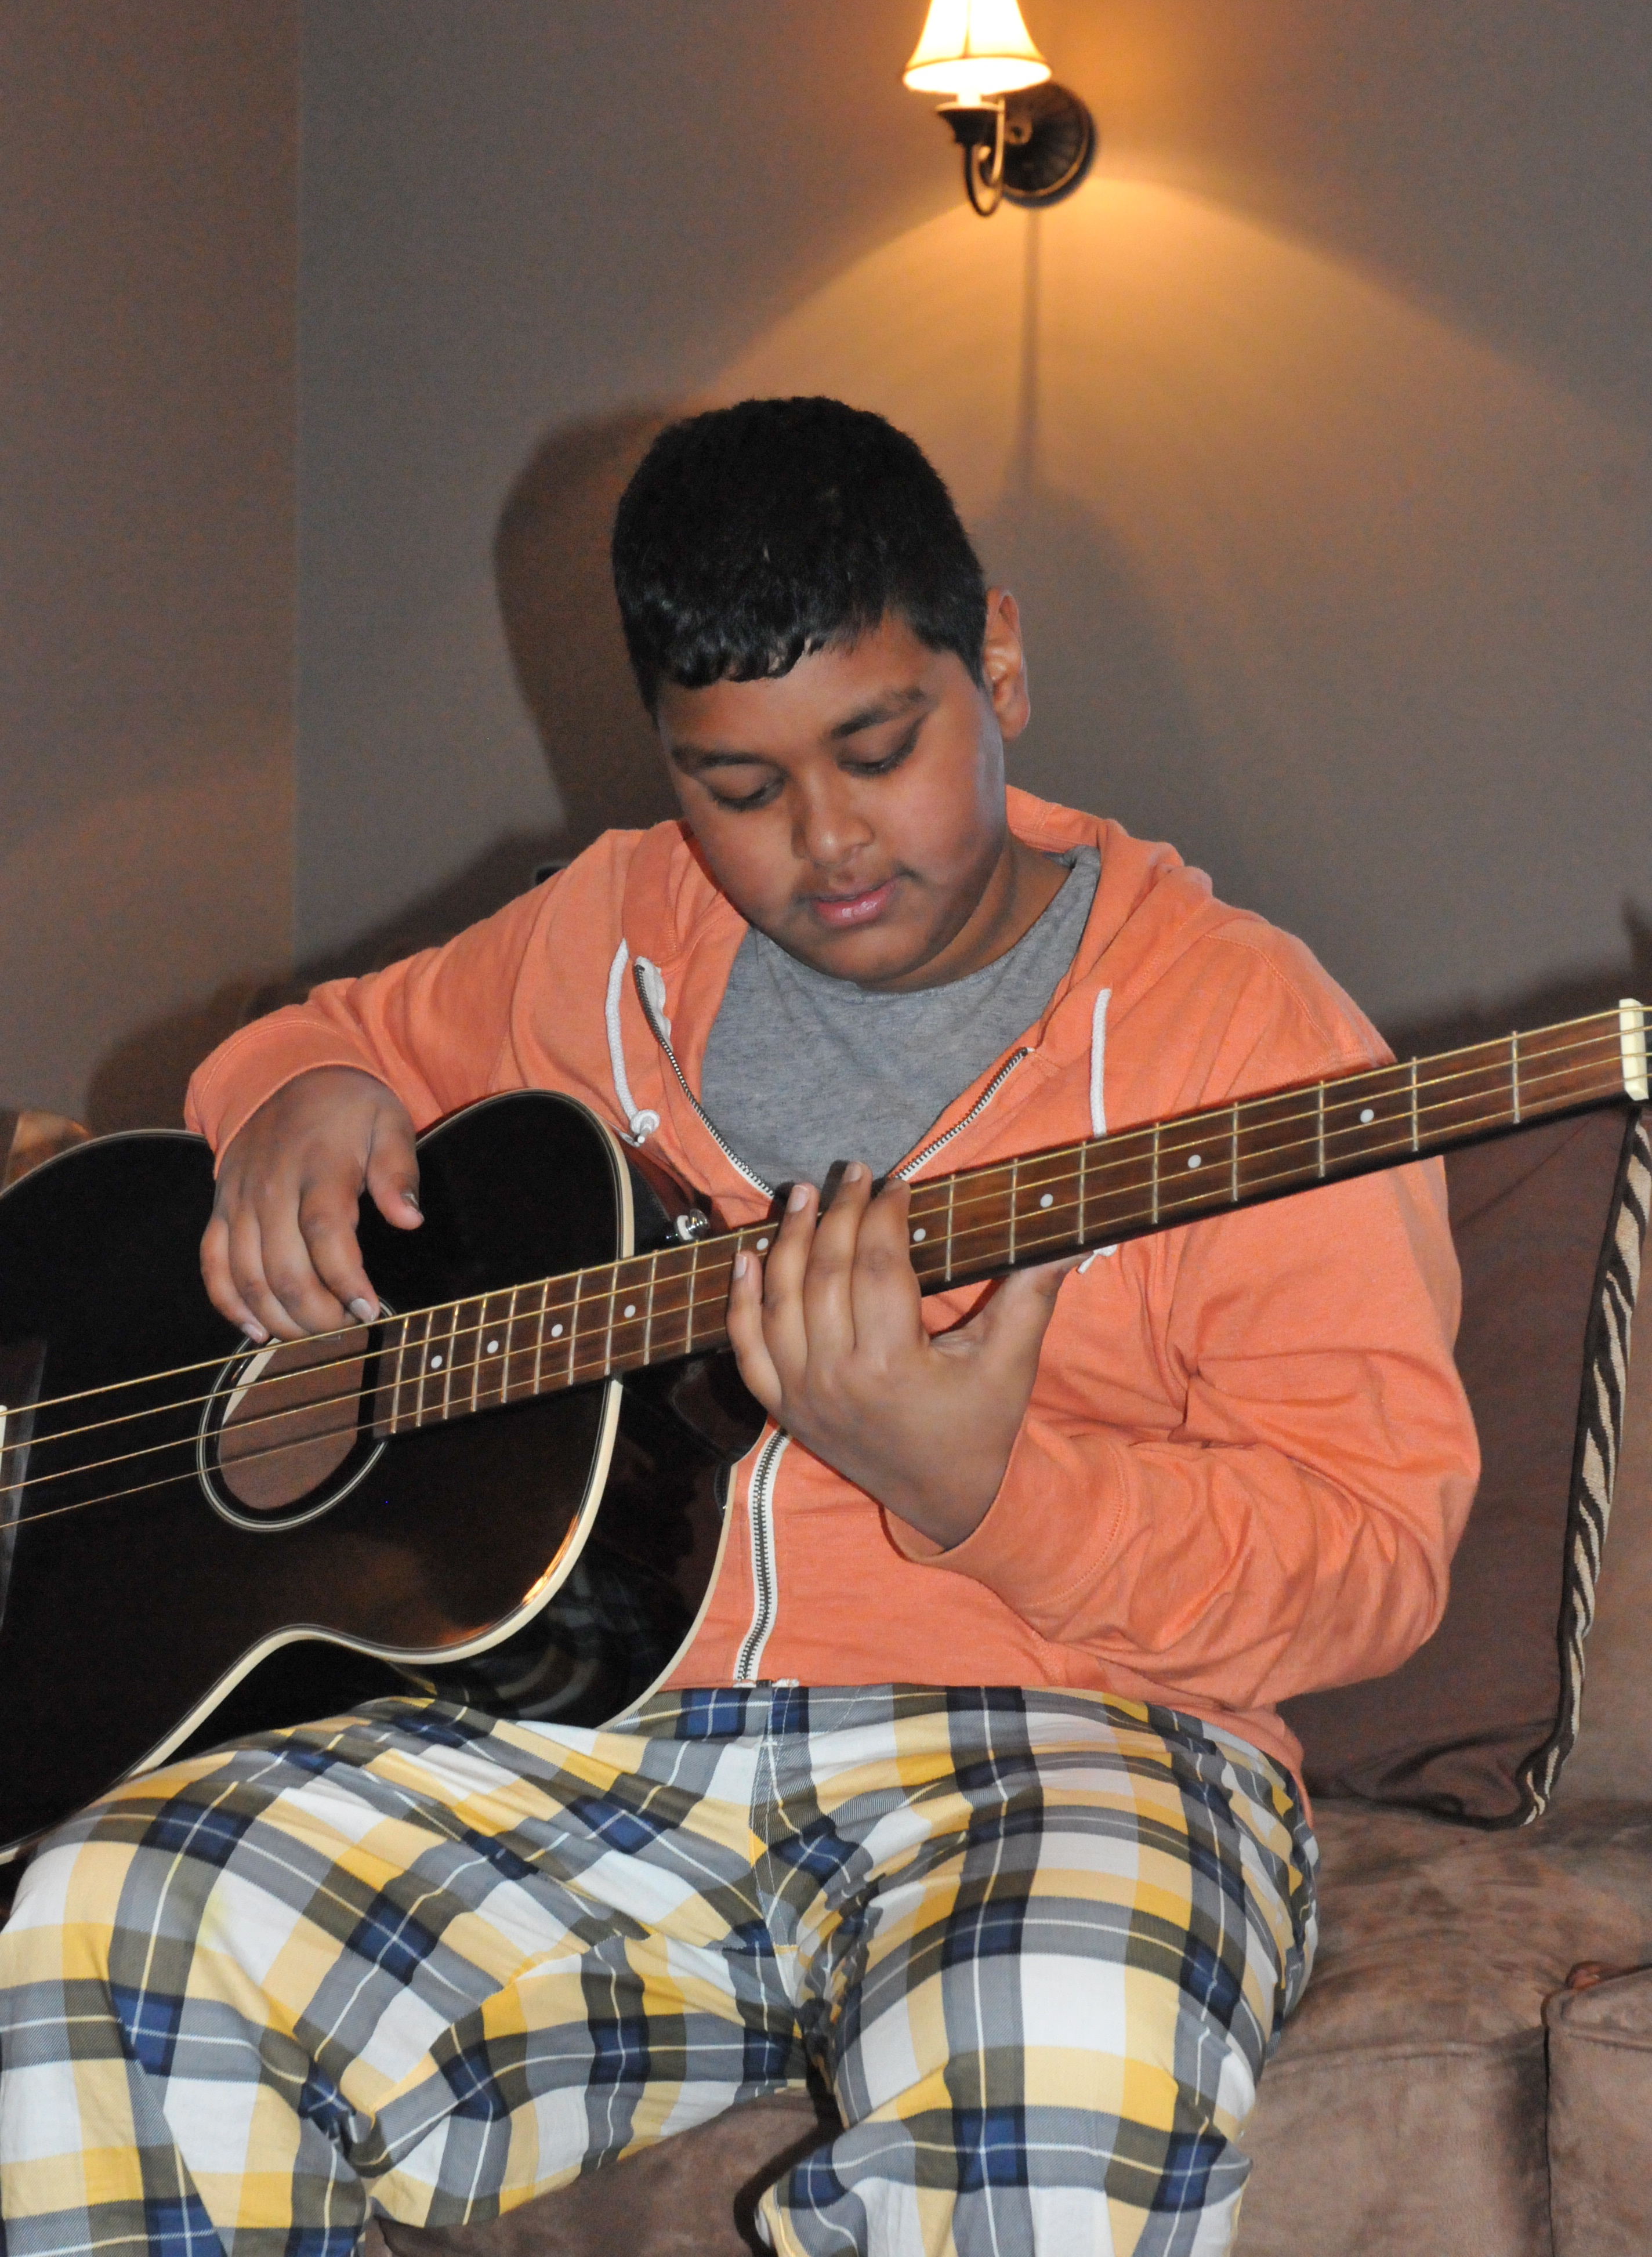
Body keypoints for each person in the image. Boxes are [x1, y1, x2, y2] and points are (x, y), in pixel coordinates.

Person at [0, 398, 1477, 2256]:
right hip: (590, 1749)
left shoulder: (1246, 1032)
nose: (826, 841)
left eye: (880, 746)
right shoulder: (608, 930)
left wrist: (989, 1489)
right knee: (112, 1933)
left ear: (999, 662)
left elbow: (1371, 1556)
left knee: (1058, 2043)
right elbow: (332, 1040)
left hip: (1075, 1747)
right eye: (737, 785)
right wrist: (288, 1091)